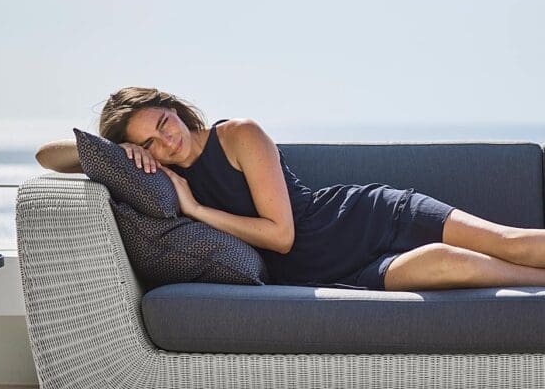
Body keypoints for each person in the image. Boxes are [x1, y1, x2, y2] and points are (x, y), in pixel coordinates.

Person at [36, 86, 545, 291]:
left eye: (164, 123)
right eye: (149, 141)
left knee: (510, 242)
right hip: (342, 272)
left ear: (178, 109)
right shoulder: (159, 177)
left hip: (368, 216)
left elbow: (280, 235)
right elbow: (49, 156)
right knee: (445, 262)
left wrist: (193, 207)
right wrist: (120, 154)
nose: (166, 141)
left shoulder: (239, 135)